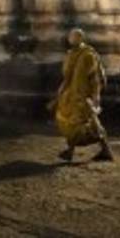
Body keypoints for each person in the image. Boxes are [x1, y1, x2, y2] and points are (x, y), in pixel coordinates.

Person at [48, 28, 113, 162]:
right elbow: (67, 78)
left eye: (75, 36)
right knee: (70, 124)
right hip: (72, 95)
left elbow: (94, 78)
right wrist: (59, 95)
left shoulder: (88, 55)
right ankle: (70, 152)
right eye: (70, 36)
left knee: (93, 125)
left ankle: (106, 151)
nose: (71, 38)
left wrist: (96, 97)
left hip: (84, 97)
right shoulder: (71, 54)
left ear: (81, 38)